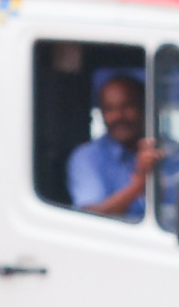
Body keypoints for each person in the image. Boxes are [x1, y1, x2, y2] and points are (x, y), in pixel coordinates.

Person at [67, 74, 161, 220]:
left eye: (127, 106)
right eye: (109, 109)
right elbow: (91, 217)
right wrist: (141, 182)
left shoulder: (168, 150)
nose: (118, 116)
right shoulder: (87, 157)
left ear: (144, 108)